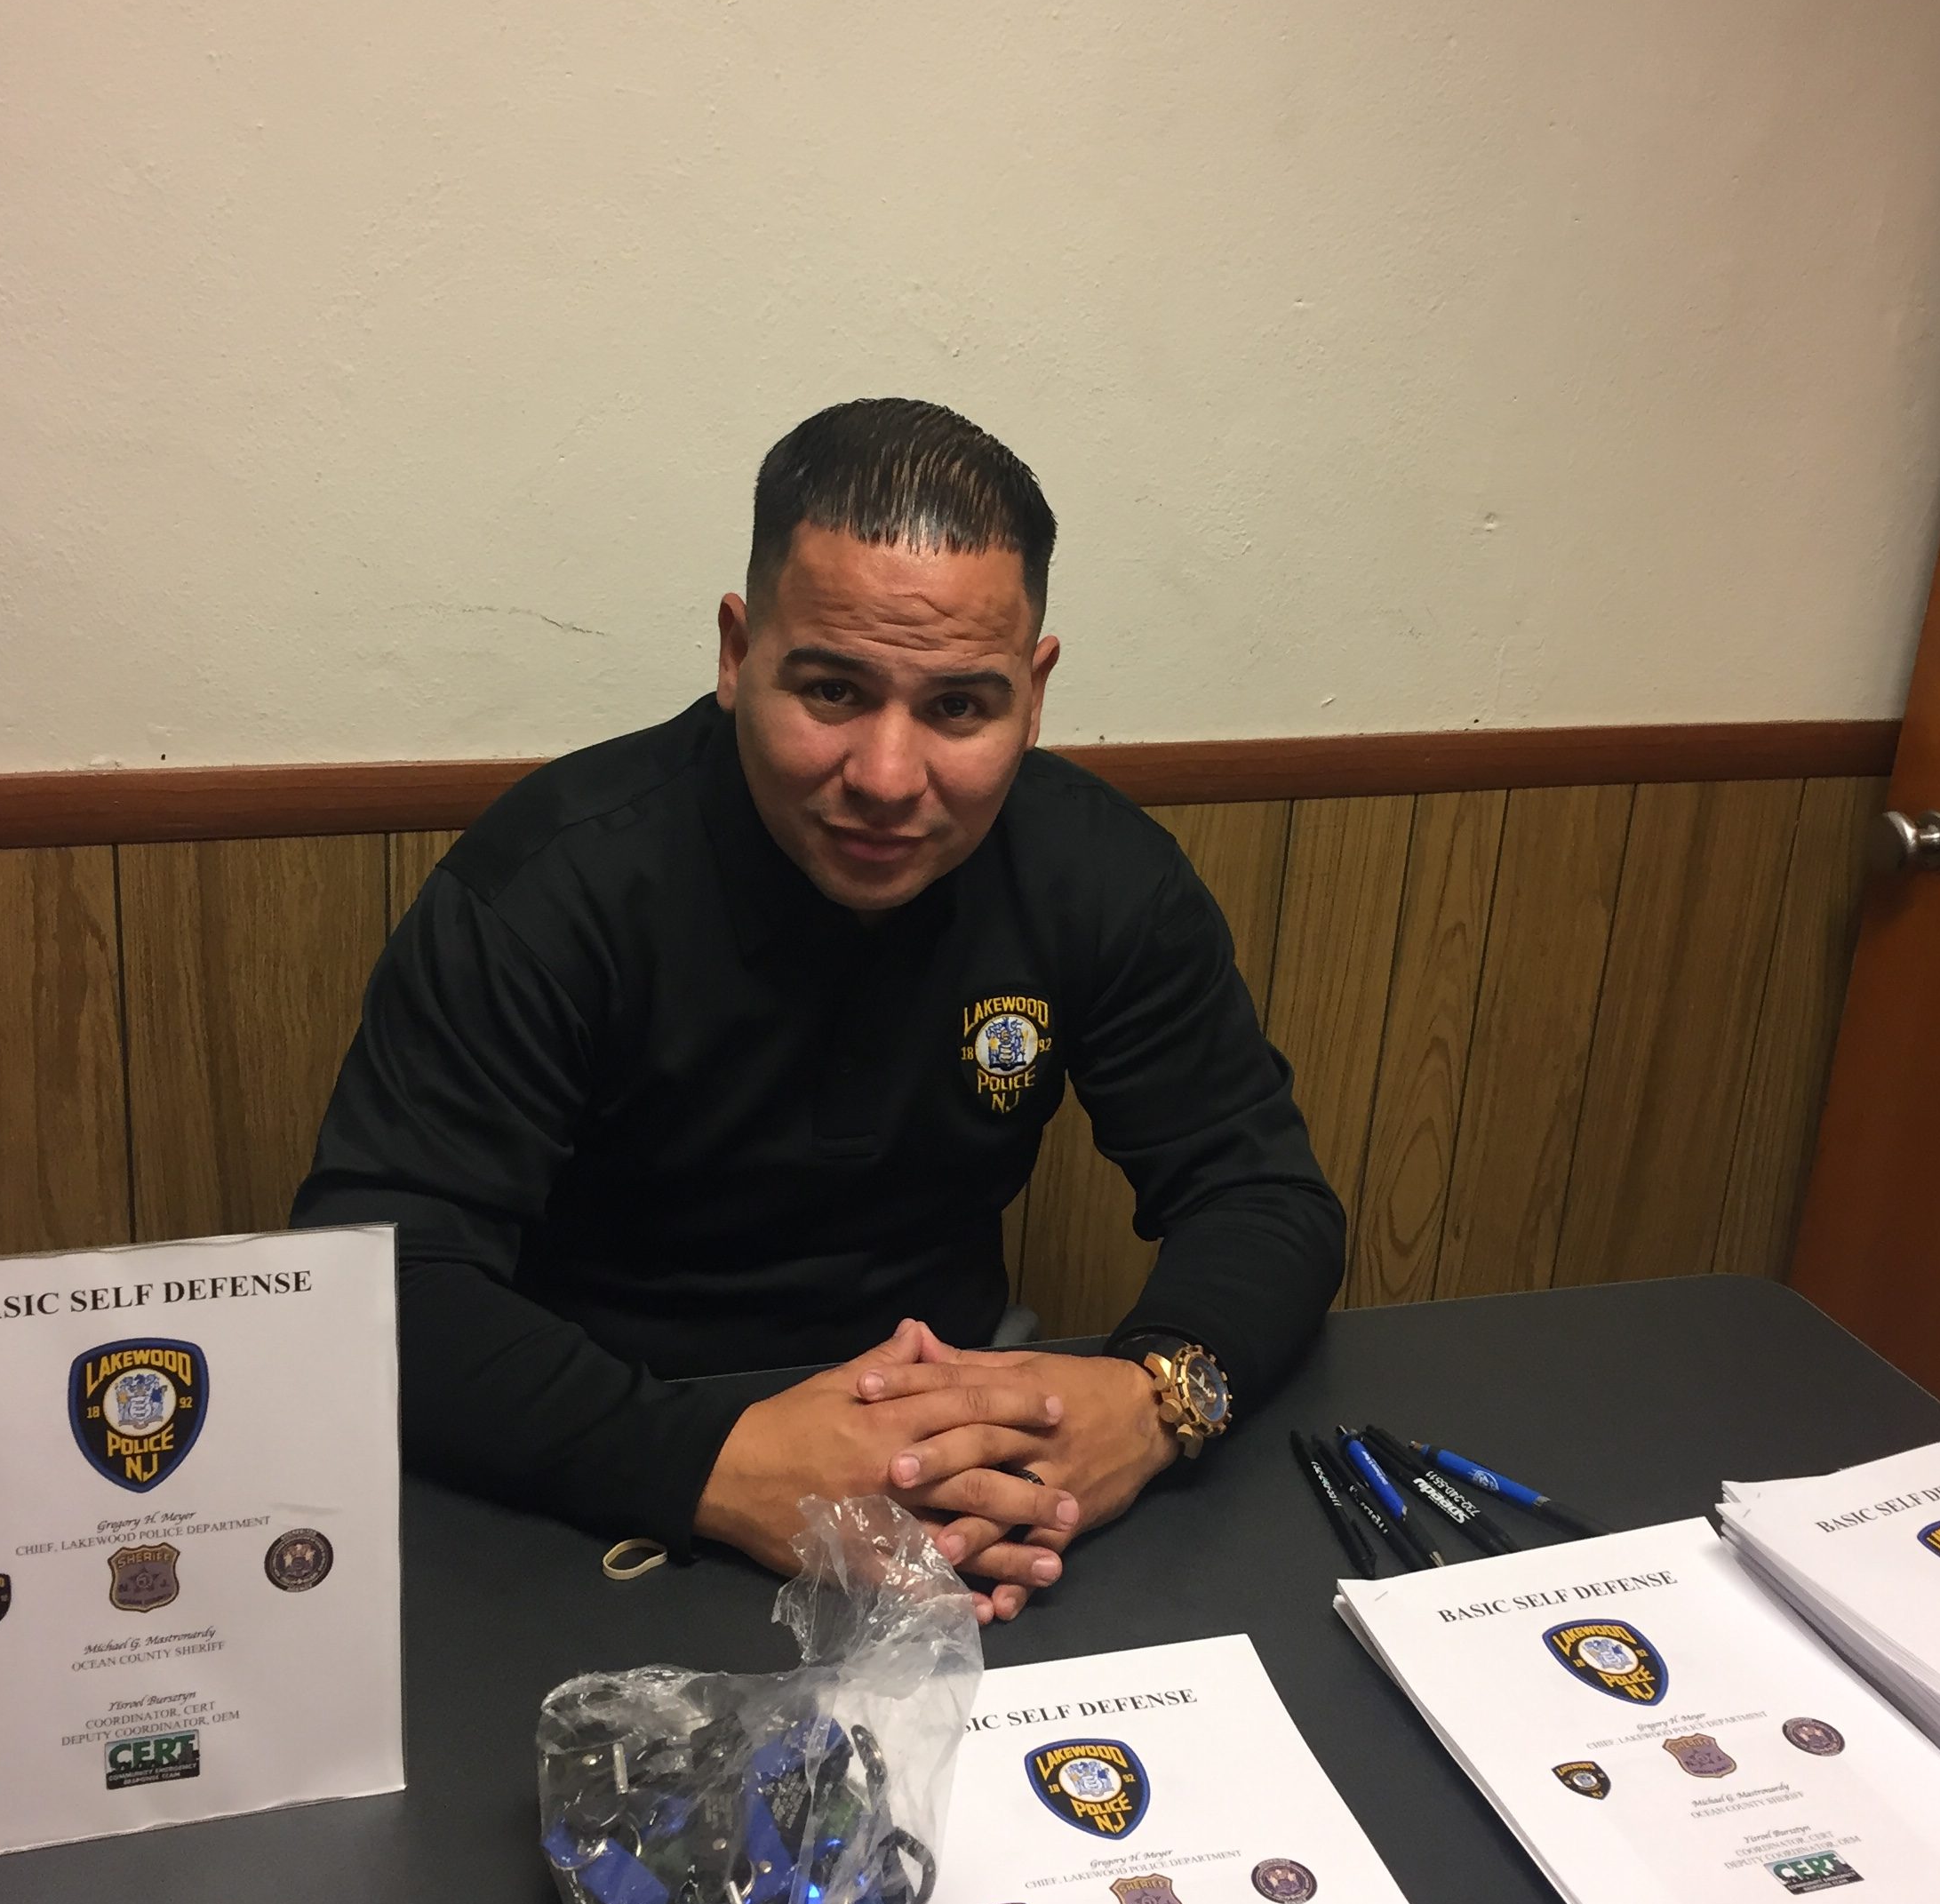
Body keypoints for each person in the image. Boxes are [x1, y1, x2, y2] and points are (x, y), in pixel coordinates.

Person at [293, 399, 1344, 1620]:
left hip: (964, 1483)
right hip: (590, 1471)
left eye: (961, 706)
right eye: (834, 690)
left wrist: (1156, 1397)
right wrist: (712, 1464)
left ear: (1035, 690)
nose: (888, 779)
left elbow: (1265, 1197)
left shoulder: (1100, 873)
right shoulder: (551, 885)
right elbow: (380, 1277)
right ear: (737, 652)